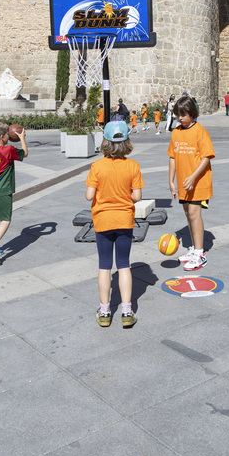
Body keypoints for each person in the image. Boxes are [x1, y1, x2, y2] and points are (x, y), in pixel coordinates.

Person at [85, 120, 145, 327]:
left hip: (102, 220)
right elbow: (136, 196)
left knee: (104, 267)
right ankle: (127, 312)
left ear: (105, 143)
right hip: (124, 220)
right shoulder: (133, 166)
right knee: (124, 265)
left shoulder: (97, 166)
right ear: (126, 141)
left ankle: (104, 312)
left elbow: (88, 195)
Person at [167, 95, 214, 271]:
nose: (180, 118)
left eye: (184, 114)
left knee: (194, 214)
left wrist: (194, 176)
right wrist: (171, 181)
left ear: (192, 113)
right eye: (178, 114)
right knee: (188, 213)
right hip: (182, 182)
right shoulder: (176, 132)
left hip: (198, 182)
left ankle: (200, 254)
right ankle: (194, 249)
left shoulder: (200, 131)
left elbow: (206, 158)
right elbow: (172, 157)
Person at [0, 120, 28, 264]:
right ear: (2, 137)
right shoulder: (8, 150)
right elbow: (25, 154)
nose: (9, 136)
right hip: (3, 189)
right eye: (8, 135)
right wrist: (21, 139)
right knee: (6, 219)